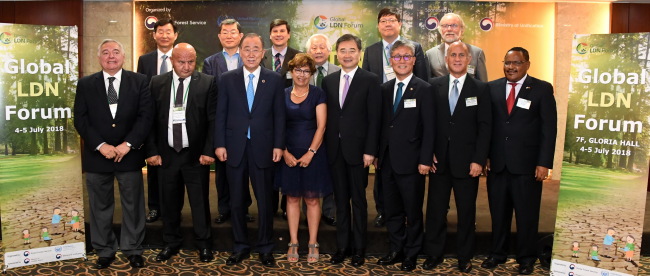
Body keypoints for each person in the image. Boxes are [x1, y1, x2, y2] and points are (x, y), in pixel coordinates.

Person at [74, 39, 152, 269]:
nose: (111, 56)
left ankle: (133, 248)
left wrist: (128, 144)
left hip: (129, 155)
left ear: (123, 56)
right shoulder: (86, 84)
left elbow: (145, 116)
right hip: (98, 156)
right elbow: (80, 118)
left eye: (115, 52)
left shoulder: (140, 81)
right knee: (99, 205)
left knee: (133, 205)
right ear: (99, 58)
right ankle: (104, 249)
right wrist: (100, 145)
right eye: (105, 52)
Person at [481, 47, 557, 275]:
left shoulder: (542, 89)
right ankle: (497, 253)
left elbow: (548, 129)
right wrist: (484, 156)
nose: (511, 67)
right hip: (497, 164)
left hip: (527, 165)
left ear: (527, 64)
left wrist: (544, 163)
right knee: (499, 214)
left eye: (516, 62)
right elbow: (486, 126)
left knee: (527, 214)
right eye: (507, 62)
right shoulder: (491, 88)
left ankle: (526, 257)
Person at [215, 33, 285, 268]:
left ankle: (265, 247)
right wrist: (220, 144)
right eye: (247, 49)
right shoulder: (227, 78)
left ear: (263, 53)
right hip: (234, 147)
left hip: (264, 148)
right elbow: (220, 114)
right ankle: (240, 246)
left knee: (265, 201)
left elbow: (279, 116)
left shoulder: (274, 79)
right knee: (236, 201)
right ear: (240, 51)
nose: (251, 53)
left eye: (256, 49)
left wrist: (278, 145)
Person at [423, 41, 491, 273]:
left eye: (462, 54)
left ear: (469, 59)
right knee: (435, 211)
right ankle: (433, 254)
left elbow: (485, 128)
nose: (457, 58)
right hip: (438, 162)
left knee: (466, 212)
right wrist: (428, 152)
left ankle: (464, 256)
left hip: (467, 163)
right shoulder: (433, 86)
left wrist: (479, 160)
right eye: (453, 55)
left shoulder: (481, 89)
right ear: (446, 59)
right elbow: (428, 124)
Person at [146, 43, 217, 263]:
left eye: (190, 62)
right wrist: (152, 151)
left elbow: (213, 120)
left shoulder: (207, 82)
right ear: (171, 61)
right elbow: (149, 120)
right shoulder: (157, 83)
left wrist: (208, 151)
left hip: (196, 156)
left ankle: (204, 244)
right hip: (166, 155)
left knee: (200, 202)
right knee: (169, 202)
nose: (186, 67)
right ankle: (171, 242)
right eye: (181, 62)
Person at [362, 8, 428, 227]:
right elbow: (366, 84)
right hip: (382, 111)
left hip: (409, 114)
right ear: (378, 26)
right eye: (383, 21)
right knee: (383, 176)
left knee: (408, 186)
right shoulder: (371, 51)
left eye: (392, 20)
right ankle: (383, 211)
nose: (387, 24)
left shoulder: (414, 47)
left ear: (399, 24)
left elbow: (424, 80)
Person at [322, 34, 381, 267]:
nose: (347, 55)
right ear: (337, 54)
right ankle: (342, 246)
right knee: (340, 202)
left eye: (352, 50)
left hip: (359, 153)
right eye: (343, 50)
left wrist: (370, 151)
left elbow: (374, 119)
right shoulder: (328, 80)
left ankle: (359, 248)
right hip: (335, 151)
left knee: (358, 201)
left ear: (359, 53)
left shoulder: (370, 79)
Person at [375, 40, 434, 272]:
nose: (401, 61)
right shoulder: (384, 89)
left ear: (414, 60)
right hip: (387, 160)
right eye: (397, 57)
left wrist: (425, 159)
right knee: (391, 209)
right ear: (391, 61)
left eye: (406, 56)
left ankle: (412, 252)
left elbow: (430, 128)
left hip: (412, 162)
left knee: (412, 210)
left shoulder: (424, 89)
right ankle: (396, 248)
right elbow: (381, 126)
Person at [275, 53, 332, 263]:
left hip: (313, 154)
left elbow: (322, 126)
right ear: (291, 72)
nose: (301, 74)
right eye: (298, 70)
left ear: (312, 73)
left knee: (311, 198)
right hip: (288, 153)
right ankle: (293, 242)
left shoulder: (318, 94)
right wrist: (285, 152)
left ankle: (313, 242)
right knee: (291, 198)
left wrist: (311, 152)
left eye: (306, 71)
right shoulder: (282, 94)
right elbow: (278, 126)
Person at [201, 18, 254, 224]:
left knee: (244, 169)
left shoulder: (249, 58)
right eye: (225, 32)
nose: (229, 35)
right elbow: (209, 93)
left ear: (240, 36)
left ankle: (243, 208)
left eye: (233, 32)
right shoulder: (210, 62)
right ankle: (224, 208)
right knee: (223, 171)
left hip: (246, 122)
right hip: (223, 121)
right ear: (219, 36)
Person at [136, 18, 178, 224]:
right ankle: (154, 207)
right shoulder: (145, 60)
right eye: (160, 31)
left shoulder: (182, 57)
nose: (164, 35)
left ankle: (173, 207)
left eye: (168, 31)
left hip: (177, 121)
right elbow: (141, 91)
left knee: (175, 169)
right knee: (153, 167)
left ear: (175, 35)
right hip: (153, 121)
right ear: (154, 35)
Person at [305, 33, 339, 227]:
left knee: (330, 171)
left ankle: (329, 211)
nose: (318, 51)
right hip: (307, 131)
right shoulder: (301, 71)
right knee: (307, 171)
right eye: (314, 48)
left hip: (332, 131)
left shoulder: (338, 71)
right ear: (308, 51)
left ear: (329, 50)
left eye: (321, 47)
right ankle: (307, 212)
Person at [426, 13, 488, 81]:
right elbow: (427, 86)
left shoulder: (477, 53)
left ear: (462, 29)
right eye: (445, 26)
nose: (449, 29)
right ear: (440, 30)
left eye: (454, 25)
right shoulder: (430, 55)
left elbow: (483, 86)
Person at [262, 19, 300, 89]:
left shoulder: (298, 56)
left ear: (289, 35)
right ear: (270, 35)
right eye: (275, 31)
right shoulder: (261, 56)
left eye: (282, 31)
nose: (278, 34)